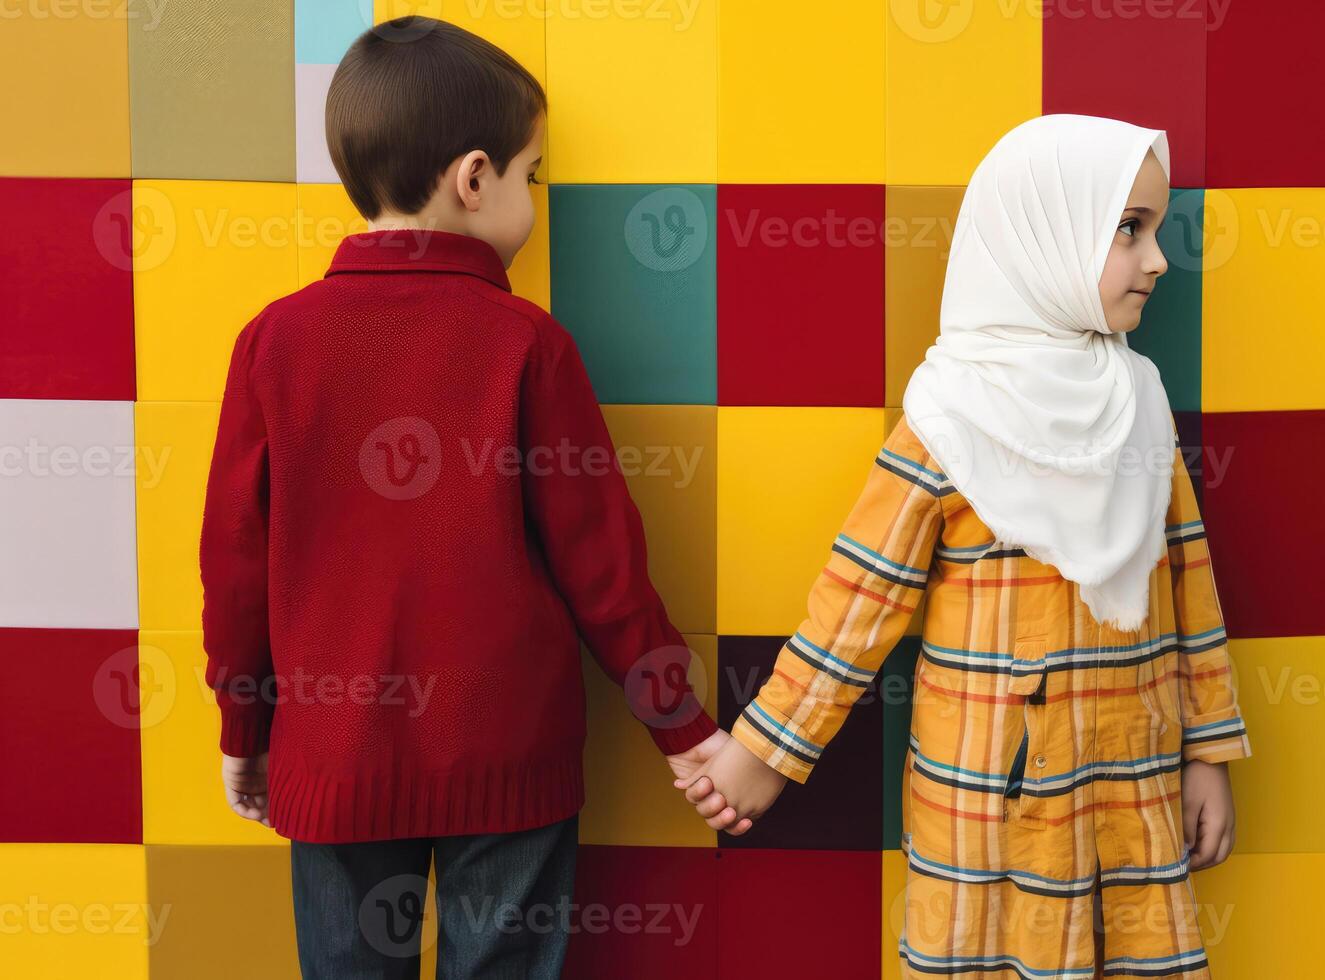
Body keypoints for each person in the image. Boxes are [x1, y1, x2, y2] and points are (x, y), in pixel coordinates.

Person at [198, 17, 725, 978]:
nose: (533, 199)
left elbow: (232, 566)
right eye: (533, 175)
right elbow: (605, 567)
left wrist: (246, 727)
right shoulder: (527, 343)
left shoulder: (272, 343)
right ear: (474, 178)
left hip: (333, 757)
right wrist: (682, 729)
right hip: (509, 766)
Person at [678, 114, 1251, 979]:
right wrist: (764, 752)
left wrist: (1206, 753)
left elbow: (1189, 588)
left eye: (1154, 228)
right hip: (992, 798)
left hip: (1132, 785)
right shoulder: (951, 416)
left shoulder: (1138, 397)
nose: (1159, 258)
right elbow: (856, 606)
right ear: (1040, 236)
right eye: (1128, 229)